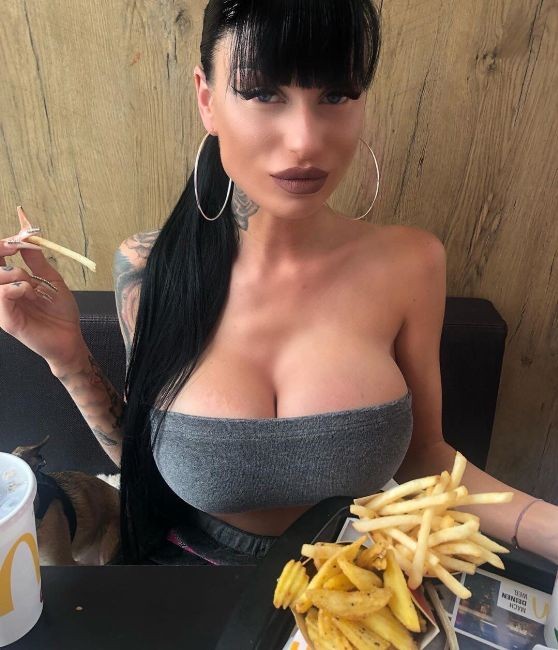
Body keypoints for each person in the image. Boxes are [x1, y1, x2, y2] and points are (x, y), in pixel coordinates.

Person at [0, 0, 556, 567]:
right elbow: (145, 458)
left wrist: (546, 526)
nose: (304, 141)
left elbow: (426, 455)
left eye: (336, 95)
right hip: (189, 580)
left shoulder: (412, 263)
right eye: (263, 93)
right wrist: (68, 357)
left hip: (354, 579)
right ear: (207, 100)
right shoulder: (149, 266)